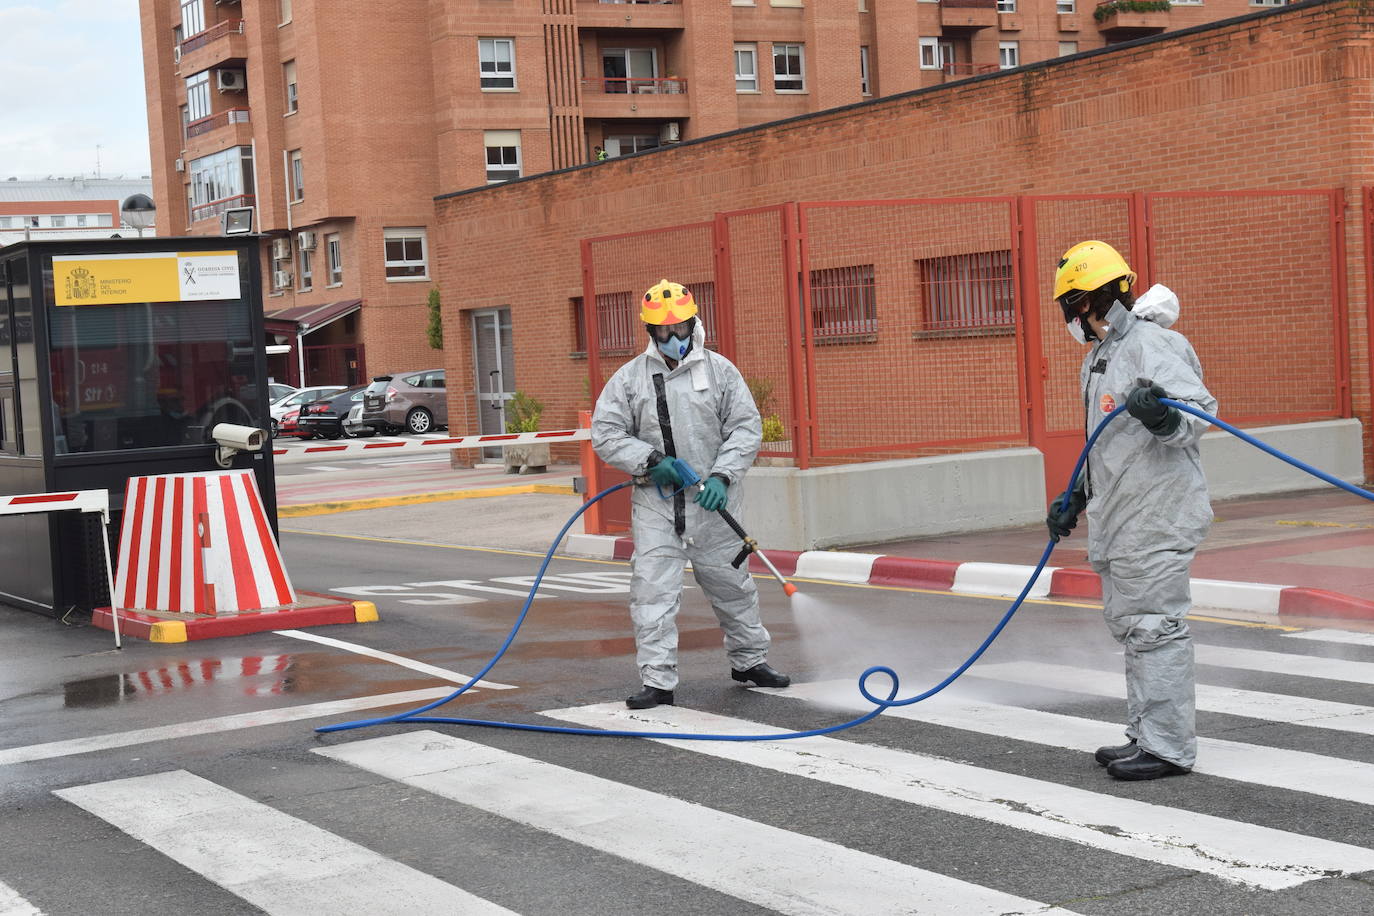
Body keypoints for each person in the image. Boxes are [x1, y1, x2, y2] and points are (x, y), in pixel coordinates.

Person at [1046, 240, 1218, 781]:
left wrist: (1163, 419)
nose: (1070, 318)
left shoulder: (1149, 345)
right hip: (1121, 512)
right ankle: (1146, 734)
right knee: (1134, 629)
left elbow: (1197, 413)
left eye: (1071, 306)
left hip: (1156, 511)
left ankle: (1167, 749)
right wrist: (1076, 492)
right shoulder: (1100, 356)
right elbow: (1105, 441)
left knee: (1154, 628)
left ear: (1087, 301)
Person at [592, 278, 790, 709]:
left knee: (734, 586)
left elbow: (744, 427)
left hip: (714, 506)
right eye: (663, 331)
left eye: (680, 327)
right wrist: (649, 461)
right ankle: (658, 681)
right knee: (652, 592)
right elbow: (605, 433)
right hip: (657, 507)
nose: (673, 337)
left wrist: (722, 476)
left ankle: (750, 661)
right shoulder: (629, 380)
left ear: (693, 321)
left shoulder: (720, 371)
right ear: (650, 332)